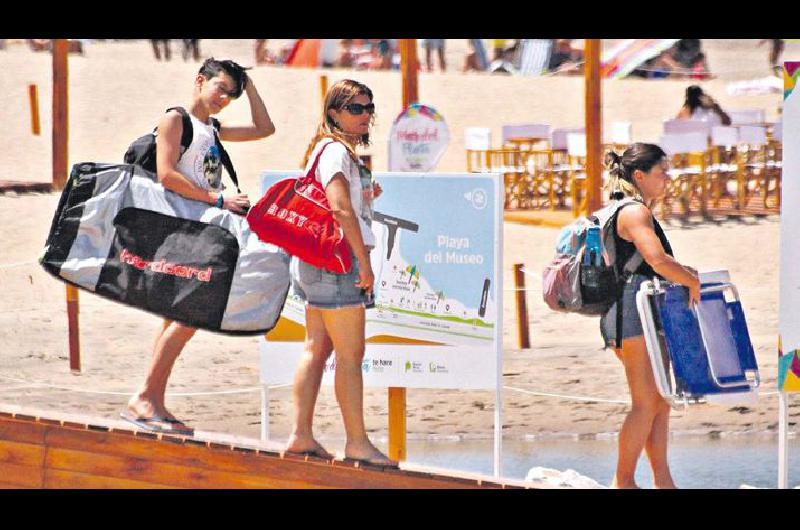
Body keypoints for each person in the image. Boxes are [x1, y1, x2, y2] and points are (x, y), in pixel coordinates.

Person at [122, 58, 276, 434]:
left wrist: (248, 85)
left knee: (178, 316)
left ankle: (150, 400)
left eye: (232, 94)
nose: (225, 98)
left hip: (200, 231)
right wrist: (219, 200)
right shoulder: (175, 119)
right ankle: (145, 397)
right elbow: (167, 174)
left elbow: (265, 128)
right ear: (200, 81)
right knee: (191, 315)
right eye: (221, 88)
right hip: (181, 229)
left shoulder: (214, 129)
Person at [285, 79, 395, 466]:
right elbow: (338, 208)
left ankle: (301, 435)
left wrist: (363, 197)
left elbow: (343, 202)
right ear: (334, 112)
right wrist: (363, 264)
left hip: (317, 260)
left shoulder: (327, 149)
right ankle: (357, 443)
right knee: (351, 355)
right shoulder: (334, 151)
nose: (365, 115)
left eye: (369, 107)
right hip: (338, 260)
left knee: (316, 347)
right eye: (356, 108)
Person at [601, 144, 701, 489]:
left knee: (660, 402)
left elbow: (654, 265)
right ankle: (623, 482)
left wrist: (684, 272)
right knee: (645, 403)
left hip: (643, 312)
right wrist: (691, 281)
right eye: (662, 173)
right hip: (631, 315)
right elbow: (656, 260)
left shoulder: (637, 210)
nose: (667, 179)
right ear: (640, 176)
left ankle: (663, 480)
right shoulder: (633, 213)